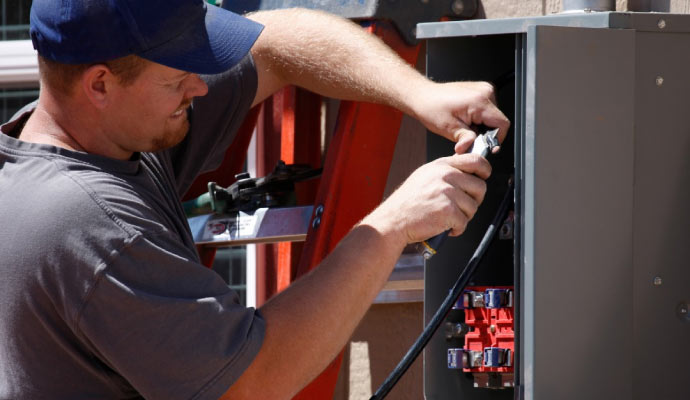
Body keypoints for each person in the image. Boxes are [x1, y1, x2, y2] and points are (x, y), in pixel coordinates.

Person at [0, 0, 509, 399]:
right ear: (101, 84)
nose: (200, 87)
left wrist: (417, 94)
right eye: (178, 77)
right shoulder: (92, 225)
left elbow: (277, 43)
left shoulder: (87, 138)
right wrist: (392, 225)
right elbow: (247, 384)